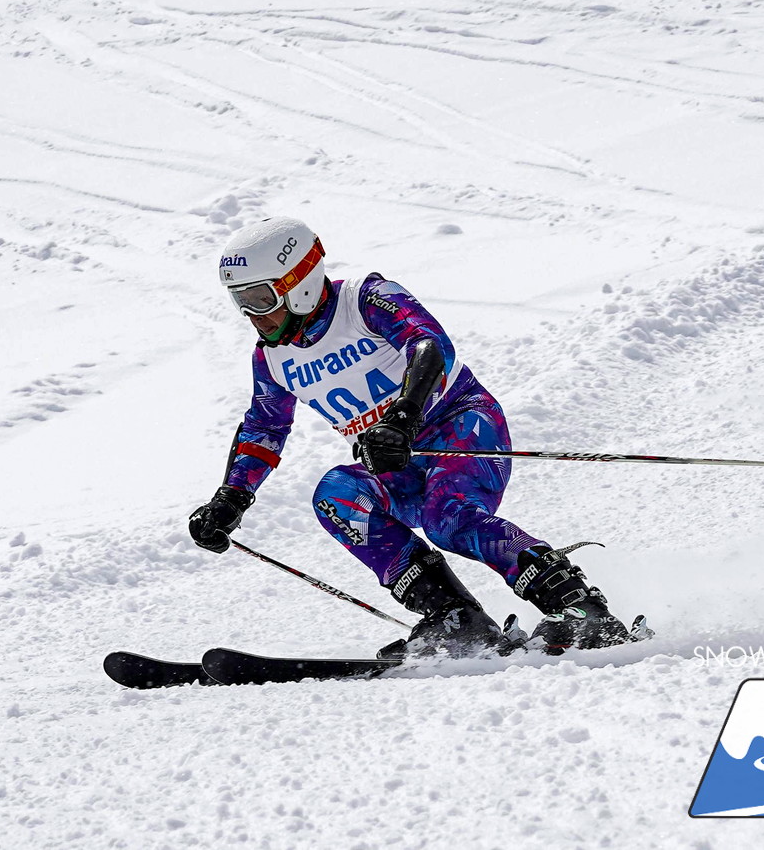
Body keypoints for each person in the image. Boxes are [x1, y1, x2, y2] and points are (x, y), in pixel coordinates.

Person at [188, 217, 630, 658]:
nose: (253, 314)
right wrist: (230, 498)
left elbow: (429, 345)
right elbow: (264, 428)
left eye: (261, 298)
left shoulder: (363, 299)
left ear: (298, 281)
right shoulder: (272, 359)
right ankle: (454, 618)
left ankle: (579, 607)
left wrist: (402, 418)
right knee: (337, 494)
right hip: (394, 460)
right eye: (240, 301)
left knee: (448, 517)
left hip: (461, 426)